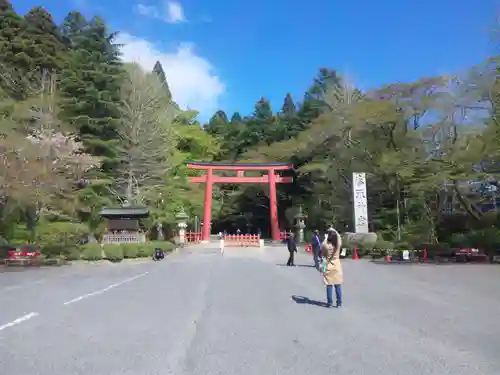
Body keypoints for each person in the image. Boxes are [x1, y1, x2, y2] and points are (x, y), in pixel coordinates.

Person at [321, 230, 343, 307]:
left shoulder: (326, 246)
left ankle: (330, 302)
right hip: (337, 266)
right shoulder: (337, 245)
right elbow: (339, 238)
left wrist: (326, 237)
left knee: (329, 285)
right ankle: (339, 303)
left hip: (328, 266)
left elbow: (322, 245)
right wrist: (335, 231)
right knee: (338, 285)